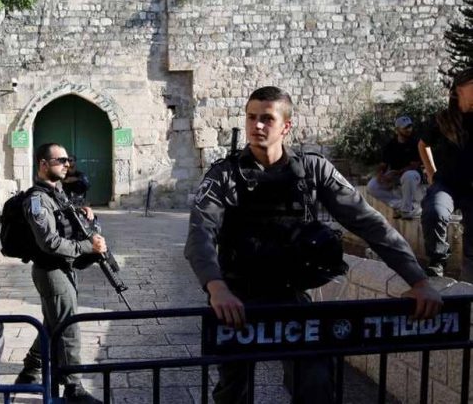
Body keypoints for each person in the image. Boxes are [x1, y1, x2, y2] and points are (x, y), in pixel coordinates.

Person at [185, 87, 443, 404]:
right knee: (233, 392)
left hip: (292, 297)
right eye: (251, 117)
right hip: (237, 299)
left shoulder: (312, 170)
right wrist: (217, 288)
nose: (257, 125)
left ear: (286, 126)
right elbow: (200, 233)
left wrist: (419, 281)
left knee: (316, 382)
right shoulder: (224, 175)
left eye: (267, 118)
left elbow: (369, 223)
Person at [13, 143, 104, 404]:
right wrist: (87, 247)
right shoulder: (36, 199)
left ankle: (31, 370)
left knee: (54, 323)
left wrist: (83, 214)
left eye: (68, 160)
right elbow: (49, 242)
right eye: (60, 160)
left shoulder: (57, 192)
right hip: (51, 270)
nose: (67, 164)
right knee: (68, 327)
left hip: (64, 268)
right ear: (43, 164)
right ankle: (74, 387)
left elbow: (64, 220)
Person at [418, 67, 473, 279]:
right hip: (446, 184)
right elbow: (423, 145)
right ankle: (437, 261)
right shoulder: (443, 119)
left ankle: (468, 281)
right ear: (459, 89)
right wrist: (431, 173)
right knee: (435, 211)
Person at [365, 116, 423, 219]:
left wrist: (396, 173)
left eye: (410, 127)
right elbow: (383, 164)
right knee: (372, 186)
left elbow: (414, 165)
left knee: (408, 175)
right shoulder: (391, 145)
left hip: (413, 175)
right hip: (396, 175)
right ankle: (403, 206)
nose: (409, 130)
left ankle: (406, 210)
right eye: (405, 127)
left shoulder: (416, 143)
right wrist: (380, 175)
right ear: (397, 130)